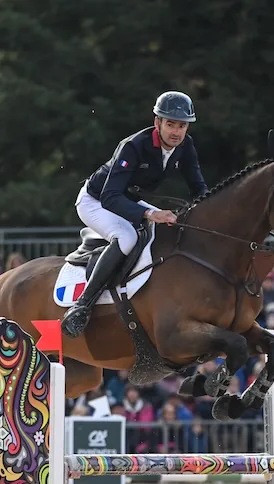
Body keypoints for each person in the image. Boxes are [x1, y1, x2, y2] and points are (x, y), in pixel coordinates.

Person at [60, 90, 210, 337]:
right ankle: (81, 306)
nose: (176, 131)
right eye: (170, 124)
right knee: (127, 237)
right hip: (95, 201)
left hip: (126, 200)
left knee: (165, 231)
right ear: (157, 122)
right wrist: (151, 214)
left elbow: (199, 188)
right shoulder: (133, 146)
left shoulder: (186, 146)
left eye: (182, 125)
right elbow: (110, 196)